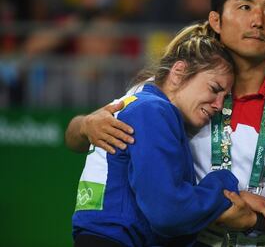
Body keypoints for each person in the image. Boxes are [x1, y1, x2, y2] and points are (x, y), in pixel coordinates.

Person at [66, 0, 265, 246]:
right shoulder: (172, 93)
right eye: (245, 7)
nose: (258, 20)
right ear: (216, 20)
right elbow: (76, 138)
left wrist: (252, 221)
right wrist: (85, 125)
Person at [72, 26, 251, 247]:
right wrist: (224, 185)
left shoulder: (139, 100)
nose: (219, 105)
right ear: (178, 73)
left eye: (225, 98)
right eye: (215, 89)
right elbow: (167, 213)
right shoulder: (153, 111)